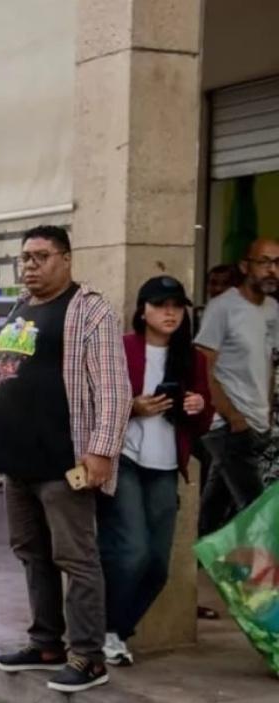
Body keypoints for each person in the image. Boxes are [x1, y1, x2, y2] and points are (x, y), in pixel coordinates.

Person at [0, 225, 131, 693]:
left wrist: (102, 450)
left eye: (41, 256)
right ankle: (45, 642)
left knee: (76, 557)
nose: (30, 265)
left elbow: (113, 389)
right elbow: (3, 377)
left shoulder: (88, 310)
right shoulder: (19, 307)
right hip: (16, 458)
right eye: (25, 257)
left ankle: (88, 656)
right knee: (31, 552)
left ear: (66, 259)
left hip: (63, 460)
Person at [98, 276, 212, 666]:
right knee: (132, 551)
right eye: (161, 305)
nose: (170, 313)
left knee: (159, 565)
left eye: (177, 306)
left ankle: (115, 628)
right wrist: (134, 407)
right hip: (125, 459)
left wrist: (197, 406)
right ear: (142, 310)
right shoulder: (123, 348)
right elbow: (98, 402)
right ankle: (108, 631)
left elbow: (201, 420)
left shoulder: (192, 357)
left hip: (166, 465)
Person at [195, 237, 279, 536]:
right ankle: (260, 581)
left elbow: (267, 363)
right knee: (258, 508)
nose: (272, 270)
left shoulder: (272, 309)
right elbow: (203, 366)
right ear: (246, 266)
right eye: (264, 262)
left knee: (214, 507)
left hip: (255, 423)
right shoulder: (223, 307)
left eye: (277, 263)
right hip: (226, 425)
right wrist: (233, 416)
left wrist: (265, 414)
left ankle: (197, 558)